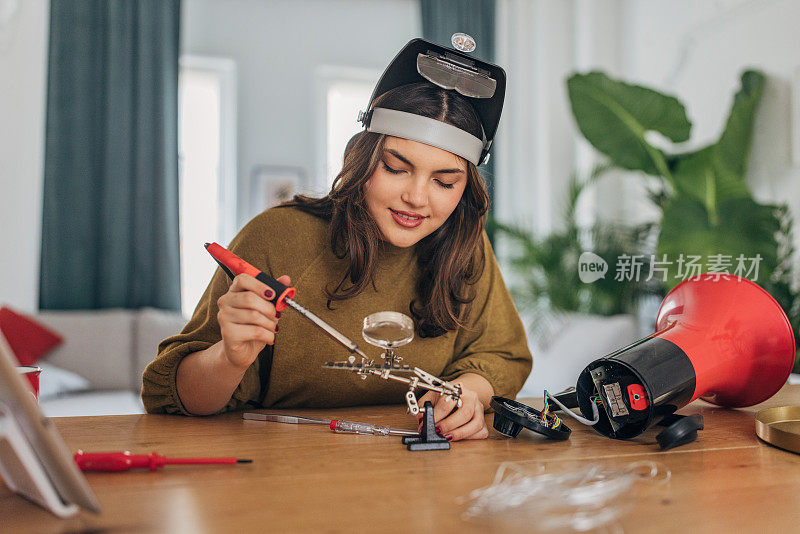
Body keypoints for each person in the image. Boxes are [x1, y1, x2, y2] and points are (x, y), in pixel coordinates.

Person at [142, 38, 532, 442]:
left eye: (444, 181)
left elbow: (503, 355)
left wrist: (469, 391)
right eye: (396, 169)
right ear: (363, 159)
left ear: (466, 188)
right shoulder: (276, 237)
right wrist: (228, 358)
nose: (417, 198)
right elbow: (167, 395)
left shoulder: (464, 247)